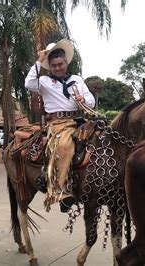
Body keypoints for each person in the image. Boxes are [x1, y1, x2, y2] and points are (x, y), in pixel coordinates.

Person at [24, 39, 95, 209]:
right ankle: (60, 191)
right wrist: (39, 61)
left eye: (60, 64)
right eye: (53, 65)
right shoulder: (44, 82)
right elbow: (28, 83)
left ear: (66, 62)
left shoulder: (77, 79)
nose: (57, 68)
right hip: (58, 124)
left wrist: (83, 99)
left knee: (103, 138)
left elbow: (91, 100)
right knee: (64, 145)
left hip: (78, 121)